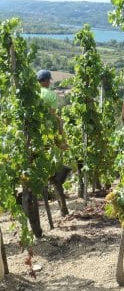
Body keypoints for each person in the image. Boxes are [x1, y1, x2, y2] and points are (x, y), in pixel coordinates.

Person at [37, 69, 70, 217]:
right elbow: (54, 118)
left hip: (34, 136)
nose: (50, 82)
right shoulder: (50, 95)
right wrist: (61, 137)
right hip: (48, 136)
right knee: (56, 171)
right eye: (49, 80)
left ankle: (41, 196)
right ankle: (62, 208)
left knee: (38, 167)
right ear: (47, 81)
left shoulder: (32, 95)